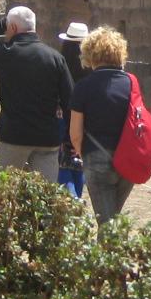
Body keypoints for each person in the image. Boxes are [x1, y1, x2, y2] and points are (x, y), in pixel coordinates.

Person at [0, 6, 73, 178]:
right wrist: (68, 139)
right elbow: (69, 99)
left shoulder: (5, 53)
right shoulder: (55, 57)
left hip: (14, 135)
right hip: (46, 137)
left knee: (5, 192)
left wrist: (1, 23)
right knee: (45, 195)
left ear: (12, 28)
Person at [69, 26, 136, 222]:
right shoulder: (132, 83)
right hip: (129, 159)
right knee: (112, 219)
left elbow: (75, 133)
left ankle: (111, 253)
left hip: (97, 156)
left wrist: (86, 154)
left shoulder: (83, 87)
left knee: (107, 223)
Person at [57, 20, 91, 197]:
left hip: (62, 127)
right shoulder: (92, 73)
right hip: (84, 130)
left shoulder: (59, 66)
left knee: (63, 172)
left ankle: (71, 205)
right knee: (78, 172)